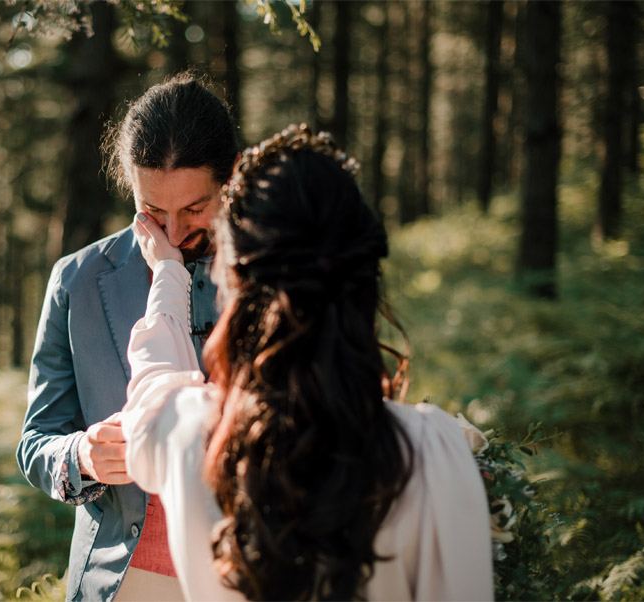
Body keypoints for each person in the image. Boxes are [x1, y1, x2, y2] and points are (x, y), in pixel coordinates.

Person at [122, 124, 494, 600]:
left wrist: (168, 276)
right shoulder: (431, 451)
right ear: (364, 281)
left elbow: (154, 377)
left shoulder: (186, 433)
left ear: (231, 281)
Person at [16, 74, 238, 601]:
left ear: (230, 181)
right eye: (154, 210)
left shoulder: (279, 271)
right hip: (123, 579)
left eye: (194, 208)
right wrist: (82, 457)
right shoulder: (78, 279)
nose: (175, 232)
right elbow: (36, 441)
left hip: (248, 573)